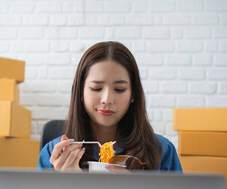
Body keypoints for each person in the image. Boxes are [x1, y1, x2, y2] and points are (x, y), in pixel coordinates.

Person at [37, 41, 182, 172]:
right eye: (96, 88)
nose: (107, 100)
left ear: (133, 94)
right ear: (80, 92)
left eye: (119, 89)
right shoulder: (53, 153)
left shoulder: (162, 152)